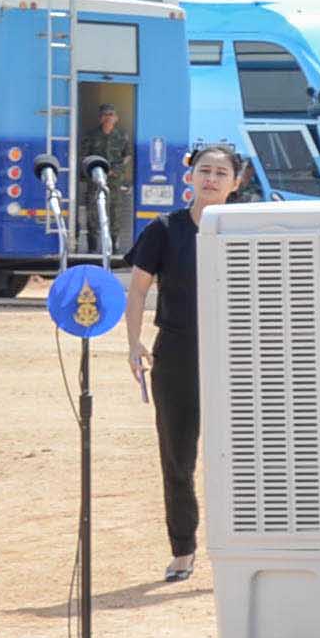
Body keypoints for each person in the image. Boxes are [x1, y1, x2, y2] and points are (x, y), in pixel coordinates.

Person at [122, 145, 248, 587]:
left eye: (221, 173)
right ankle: (183, 549)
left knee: (245, 456)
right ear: (190, 178)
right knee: (177, 457)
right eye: (204, 171)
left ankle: (246, 550)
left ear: (236, 182)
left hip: (238, 354)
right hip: (177, 352)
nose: (211, 179)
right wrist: (134, 342)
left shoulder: (247, 230)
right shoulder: (164, 229)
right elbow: (138, 289)